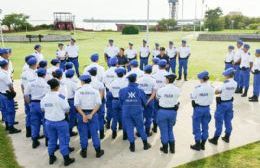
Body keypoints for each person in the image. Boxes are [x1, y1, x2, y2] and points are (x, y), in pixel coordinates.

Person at [41, 78, 75, 166]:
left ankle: (51, 157)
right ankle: (66, 159)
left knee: (51, 140)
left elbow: (43, 109)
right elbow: (67, 109)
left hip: (48, 122)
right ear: (57, 87)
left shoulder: (44, 97)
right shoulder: (61, 97)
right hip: (60, 123)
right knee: (63, 140)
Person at [119, 73, 151, 152]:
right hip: (137, 112)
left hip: (126, 112)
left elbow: (121, 102)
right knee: (140, 127)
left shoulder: (122, 90)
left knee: (129, 128)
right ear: (136, 79)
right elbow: (144, 102)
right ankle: (145, 144)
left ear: (128, 80)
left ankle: (132, 146)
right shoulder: (140, 90)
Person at [75, 74, 105, 158]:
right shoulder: (95, 91)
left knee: (83, 133)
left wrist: (83, 115)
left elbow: (76, 105)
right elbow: (98, 103)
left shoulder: (78, 91)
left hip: (81, 114)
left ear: (82, 82)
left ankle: (84, 152)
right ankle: (98, 151)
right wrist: (91, 114)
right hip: (93, 113)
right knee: (94, 133)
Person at [208, 68, 237, 145]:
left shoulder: (225, 84)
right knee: (228, 121)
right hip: (229, 103)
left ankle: (215, 139)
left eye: (225, 75)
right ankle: (227, 137)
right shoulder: (235, 83)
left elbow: (216, 92)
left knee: (219, 121)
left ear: (228, 75)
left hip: (222, 104)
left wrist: (214, 88)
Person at [24, 68, 50, 148]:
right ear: (44, 75)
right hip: (42, 105)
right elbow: (47, 96)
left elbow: (26, 95)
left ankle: (34, 141)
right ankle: (47, 141)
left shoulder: (31, 83)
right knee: (45, 122)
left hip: (33, 104)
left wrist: (29, 104)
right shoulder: (46, 84)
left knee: (35, 123)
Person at [190, 71, 214, 151]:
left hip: (198, 109)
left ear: (201, 79)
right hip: (207, 109)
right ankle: (203, 144)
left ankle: (197, 144)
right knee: (205, 127)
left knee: (196, 127)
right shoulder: (211, 87)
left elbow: (192, 97)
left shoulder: (198, 88)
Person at [156, 74, 180, 154]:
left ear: (167, 80)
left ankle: (165, 148)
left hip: (163, 112)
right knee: (170, 130)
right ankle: (172, 149)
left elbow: (157, 98)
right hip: (172, 112)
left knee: (164, 131)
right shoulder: (177, 89)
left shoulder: (161, 89)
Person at [0, 59, 21, 134]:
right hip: (7, 94)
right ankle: (11, 128)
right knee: (11, 111)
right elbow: (10, 85)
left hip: (1, 94)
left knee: (4, 110)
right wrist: (13, 92)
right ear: (6, 65)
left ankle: (7, 126)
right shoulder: (5, 75)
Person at [21, 56, 38, 137]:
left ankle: (28, 131)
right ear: (34, 64)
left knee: (28, 113)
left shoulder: (24, 72)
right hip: (32, 96)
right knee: (34, 115)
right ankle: (33, 133)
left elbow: (22, 85)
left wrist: (24, 94)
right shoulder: (34, 74)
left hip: (25, 94)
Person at [109, 67, 128, 139]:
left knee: (115, 117)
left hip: (114, 100)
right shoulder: (126, 82)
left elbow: (110, 91)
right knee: (124, 117)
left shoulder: (113, 82)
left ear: (116, 74)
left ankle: (114, 132)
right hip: (123, 101)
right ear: (123, 74)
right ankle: (125, 134)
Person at [137, 65, 156, 136]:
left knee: (140, 116)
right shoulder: (153, 80)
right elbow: (154, 92)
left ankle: (139, 132)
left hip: (140, 98)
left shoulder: (139, 79)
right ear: (151, 71)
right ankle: (147, 131)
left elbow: (137, 91)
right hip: (150, 98)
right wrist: (149, 100)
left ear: (144, 71)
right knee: (149, 116)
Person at [88, 67, 106, 139]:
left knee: (90, 118)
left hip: (90, 102)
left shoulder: (88, 82)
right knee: (100, 118)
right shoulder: (100, 83)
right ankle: (101, 134)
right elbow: (102, 94)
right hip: (99, 102)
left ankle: (89, 134)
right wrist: (99, 103)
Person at [152, 60, 169, 133]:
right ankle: (163, 127)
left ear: (158, 66)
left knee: (155, 111)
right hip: (165, 96)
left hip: (156, 96)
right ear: (166, 66)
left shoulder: (154, 75)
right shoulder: (168, 75)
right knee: (164, 111)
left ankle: (155, 127)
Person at [103, 57, 119, 129]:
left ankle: (108, 123)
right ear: (116, 63)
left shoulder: (106, 72)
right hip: (117, 92)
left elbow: (104, 82)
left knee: (109, 108)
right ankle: (120, 124)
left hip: (109, 91)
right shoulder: (118, 71)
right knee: (118, 108)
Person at [64, 69, 78, 137]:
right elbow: (76, 92)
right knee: (72, 116)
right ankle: (70, 131)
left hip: (63, 100)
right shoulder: (72, 83)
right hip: (71, 100)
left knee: (65, 116)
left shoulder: (63, 81)